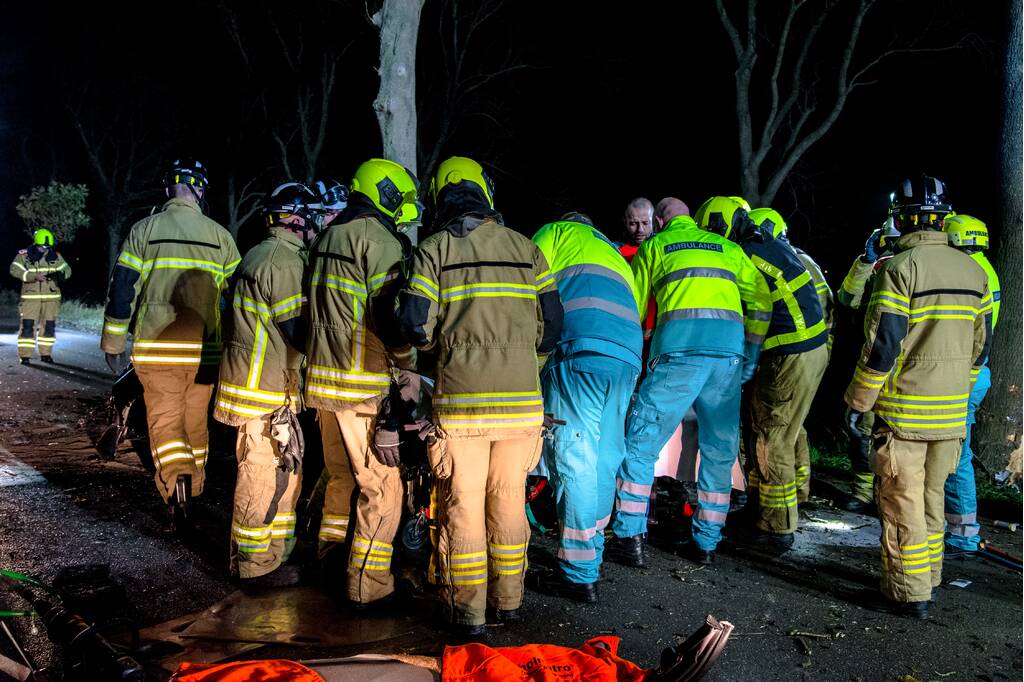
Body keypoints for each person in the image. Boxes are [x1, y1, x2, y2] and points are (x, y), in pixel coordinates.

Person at [398, 156, 563, 636]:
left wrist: (442, 349)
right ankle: (508, 602)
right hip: (522, 407)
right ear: (485, 194)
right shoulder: (527, 249)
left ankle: (467, 614)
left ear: (439, 197)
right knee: (508, 501)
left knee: (464, 505)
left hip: (462, 405)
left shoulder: (434, 250)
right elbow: (553, 326)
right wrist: (526, 366)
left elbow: (414, 324)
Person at [844, 176, 991, 619]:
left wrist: (858, 401)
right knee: (931, 499)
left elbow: (883, 344)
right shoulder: (974, 271)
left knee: (900, 501)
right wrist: (957, 390)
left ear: (902, 218)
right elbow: (982, 347)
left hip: (904, 413)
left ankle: (909, 595)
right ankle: (929, 578)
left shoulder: (900, 267)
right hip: (950, 415)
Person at [608, 197, 771, 567]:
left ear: (659, 221)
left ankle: (629, 537)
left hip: (678, 354)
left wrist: (634, 359)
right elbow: (762, 300)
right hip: (727, 360)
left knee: (641, 444)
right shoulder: (728, 248)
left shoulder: (656, 246)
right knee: (719, 450)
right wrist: (751, 350)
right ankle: (706, 543)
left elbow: (634, 308)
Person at [305, 158, 420, 608]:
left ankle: (328, 558)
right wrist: (407, 363)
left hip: (322, 384)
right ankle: (367, 587)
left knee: (339, 477)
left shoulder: (327, 237)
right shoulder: (380, 242)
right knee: (381, 487)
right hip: (362, 387)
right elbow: (389, 317)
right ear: (386, 193)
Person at [100, 159, 240, 523]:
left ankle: (177, 477)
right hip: (206, 351)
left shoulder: (145, 230)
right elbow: (238, 298)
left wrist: (113, 343)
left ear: (168, 189)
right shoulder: (221, 236)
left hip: (158, 347)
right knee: (195, 421)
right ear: (200, 190)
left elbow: (122, 288)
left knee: (165, 420)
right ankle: (195, 487)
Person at [530, 213, 642, 603]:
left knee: (574, 456)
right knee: (604, 457)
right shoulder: (611, 251)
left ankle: (578, 574)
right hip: (627, 356)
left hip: (581, 348)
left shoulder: (557, 231)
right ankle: (590, 554)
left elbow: (526, 280)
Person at [215, 183, 319, 587]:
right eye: (310, 217)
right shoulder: (283, 262)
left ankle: (274, 556)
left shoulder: (260, 253)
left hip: (265, 386)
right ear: (296, 218)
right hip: (263, 391)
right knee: (261, 477)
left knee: (283, 475)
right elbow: (297, 331)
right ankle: (253, 566)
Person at [745, 207, 832, 515]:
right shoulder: (793, 258)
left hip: (790, 355)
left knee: (776, 434)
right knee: (785, 429)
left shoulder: (766, 260)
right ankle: (789, 496)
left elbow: (760, 313)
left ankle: (778, 519)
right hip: (805, 352)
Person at [942, 214, 1001, 556]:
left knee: (956, 456)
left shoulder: (970, 274)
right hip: (973, 374)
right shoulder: (984, 269)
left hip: (964, 377)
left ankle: (963, 535)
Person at [835, 218, 901, 513]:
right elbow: (847, 298)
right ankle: (864, 492)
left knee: (896, 435)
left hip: (904, 364)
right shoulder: (879, 268)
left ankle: (887, 495)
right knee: (863, 428)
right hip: (876, 358)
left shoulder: (914, 268)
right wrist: (865, 261)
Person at [10, 229, 71, 365]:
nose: (45, 249)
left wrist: (61, 275)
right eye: (42, 247)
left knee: (49, 327)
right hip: (30, 298)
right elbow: (14, 270)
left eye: (47, 247)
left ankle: (46, 354)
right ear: (36, 243)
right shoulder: (24, 255)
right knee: (27, 326)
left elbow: (67, 270)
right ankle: (25, 355)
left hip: (52, 298)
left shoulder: (55, 256)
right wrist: (33, 276)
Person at [616, 198, 656, 262]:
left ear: (654, 222)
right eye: (633, 224)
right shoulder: (614, 249)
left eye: (645, 223)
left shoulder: (662, 245)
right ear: (625, 222)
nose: (640, 229)